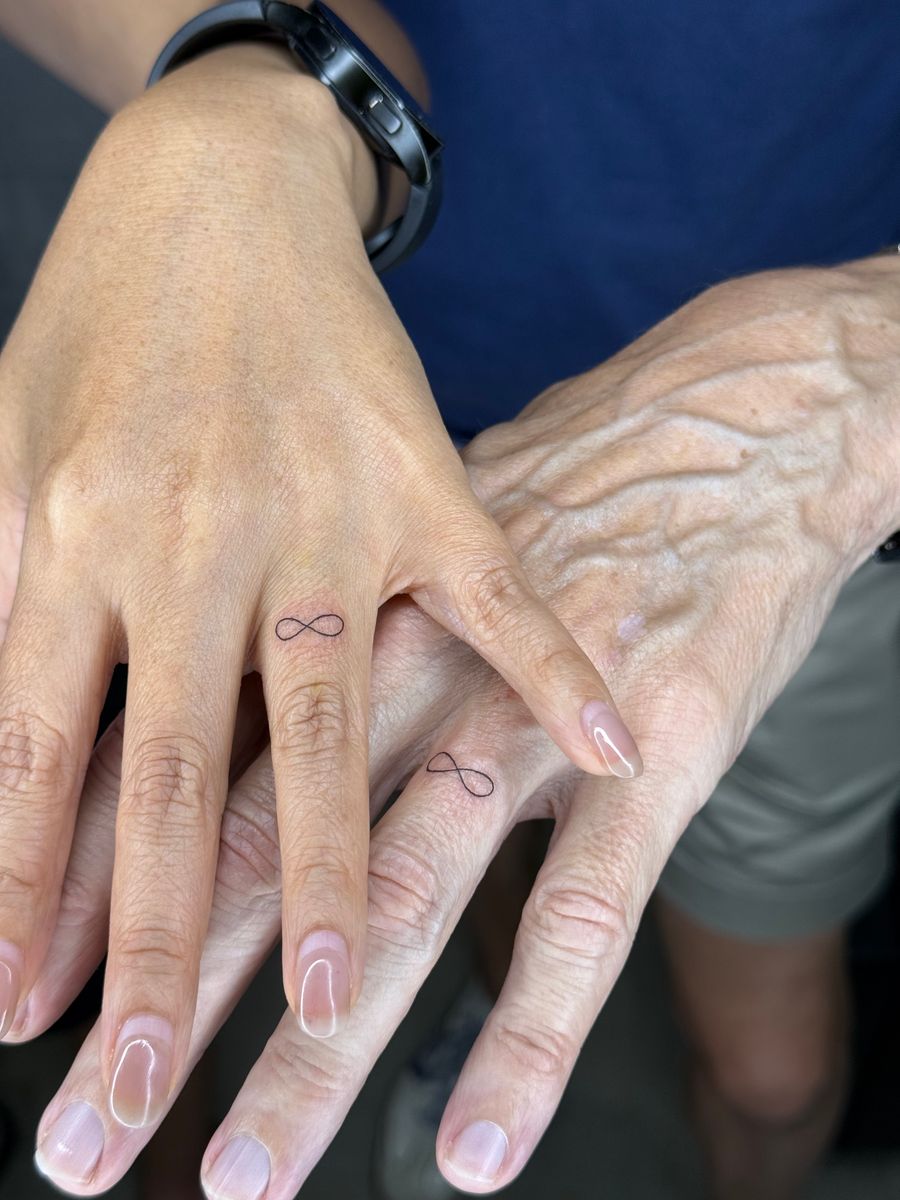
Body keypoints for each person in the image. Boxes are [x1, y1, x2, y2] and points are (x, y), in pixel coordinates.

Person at [0, 3, 898, 1200]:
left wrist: (858, 361)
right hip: (335, 400)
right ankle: (480, 973)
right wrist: (249, 78)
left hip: (801, 478)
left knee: (773, 1070)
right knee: (394, 835)